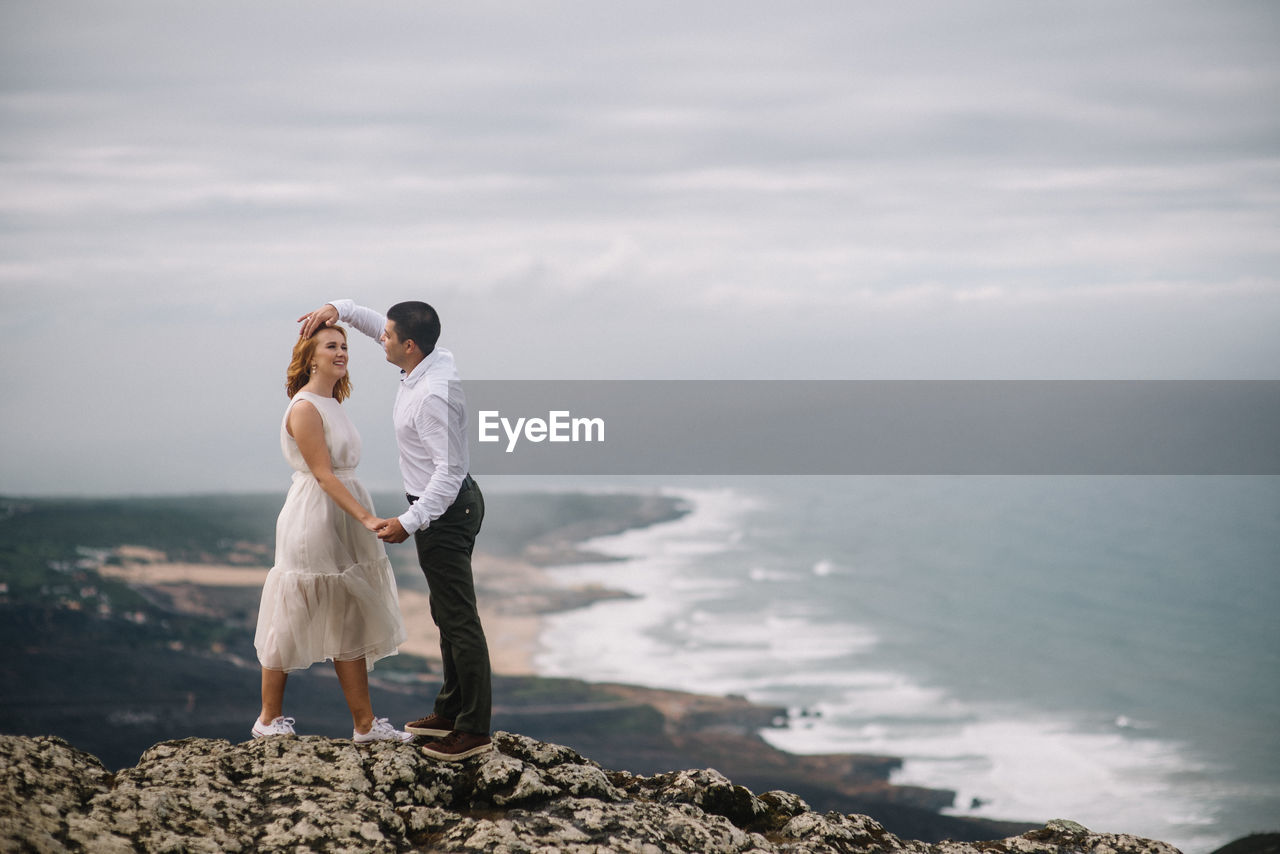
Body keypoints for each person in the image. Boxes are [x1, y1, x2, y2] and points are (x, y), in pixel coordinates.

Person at [299, 299, 493, 761]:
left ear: (409, 346)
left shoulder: (432, 396)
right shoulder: (428, 358)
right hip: (441, 507)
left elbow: (447, 473)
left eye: (386, 336)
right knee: (446, 613)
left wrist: (409, 522)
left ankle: (474, 729)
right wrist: (339, 308)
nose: (378, 339)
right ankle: (450, 710)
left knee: (459, 619)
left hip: (444, 509)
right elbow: (376, 326)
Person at [252, 324, 413, 744]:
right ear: (310, 356)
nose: (341, 352)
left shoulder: (333, 403)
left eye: (344, 346)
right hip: (316, 518)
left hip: (342, 513)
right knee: (292, 613)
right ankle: (268, 718)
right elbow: (322, 475)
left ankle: (364, 725)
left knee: (349, 616)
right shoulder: (305, 408)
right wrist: (365, 518)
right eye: (331, 346)